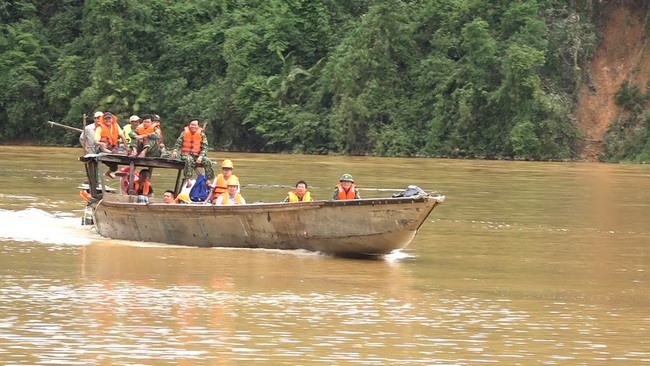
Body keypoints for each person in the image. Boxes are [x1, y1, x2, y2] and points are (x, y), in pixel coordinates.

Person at [170, 119, 215, 187]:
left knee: (207, 161)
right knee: (189, 159)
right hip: (185, 155)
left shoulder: (202, 134)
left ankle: (208, 181)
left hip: (197, 156)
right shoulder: (184, 133)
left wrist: (201, 156)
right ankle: (188, 180)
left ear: (198, 126)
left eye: (195, 125)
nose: (193, 126)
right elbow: (178, 143)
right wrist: (175, 151)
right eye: (192, 124)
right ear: (189, 125)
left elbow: (205, 147)